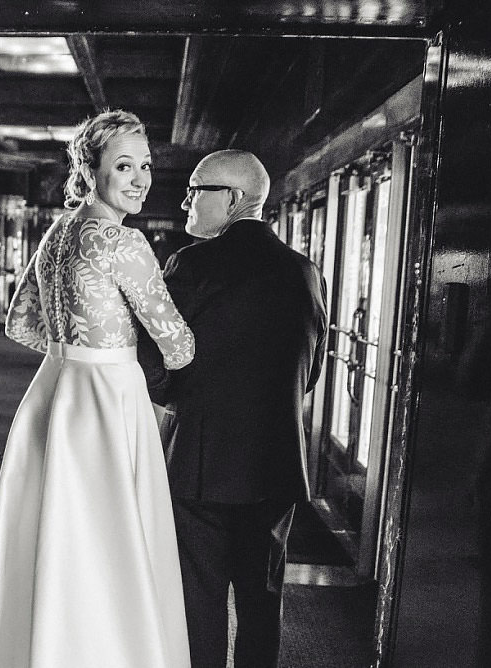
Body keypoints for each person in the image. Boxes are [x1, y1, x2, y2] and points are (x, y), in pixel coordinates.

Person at [0, 110, 194, 668]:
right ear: (89, 170)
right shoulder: (125, 243)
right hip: (107, 396)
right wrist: (116, 343)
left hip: (53, 391)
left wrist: (75, 343)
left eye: (145, 165)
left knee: (40, 528)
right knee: (105, 535)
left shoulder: (57, 232)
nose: (140, 178)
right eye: (123, 166)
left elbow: (19, 324)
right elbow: (179, 345)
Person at [140, 149, 327, 668]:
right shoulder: (307, 273)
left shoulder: (192, 265)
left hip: (203, 467)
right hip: (277, 469)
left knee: (198, 601)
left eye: (197, 189)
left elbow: (153, 363)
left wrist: (181, 397)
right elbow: (310, 372)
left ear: (235, 200)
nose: (185, 201)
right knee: (263, 602)